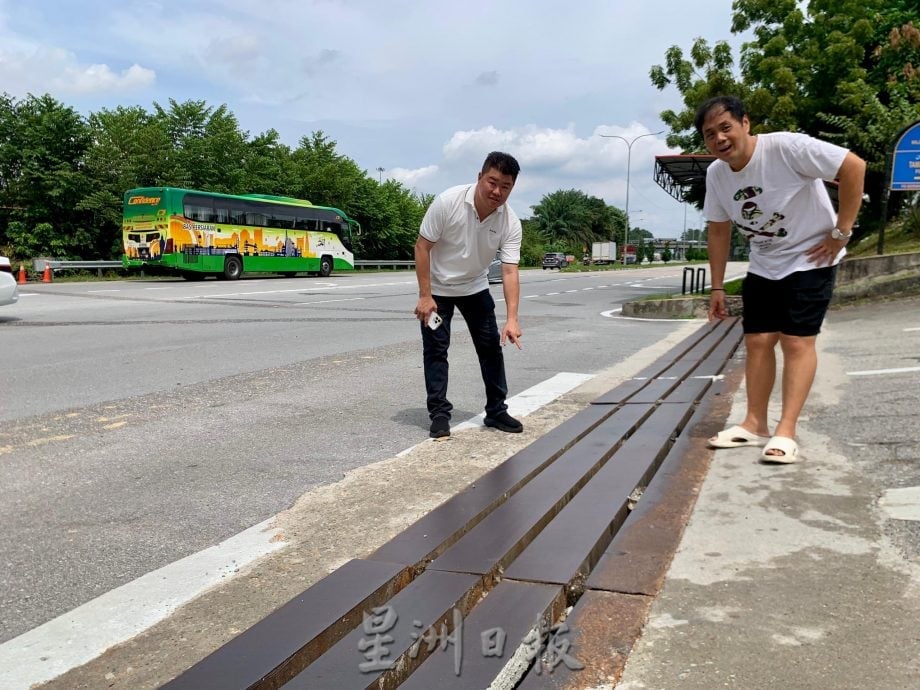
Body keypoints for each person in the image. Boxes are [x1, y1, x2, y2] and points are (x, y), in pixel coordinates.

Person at [698, 95, 866, 463]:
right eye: (710, 134)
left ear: (745, 123)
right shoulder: (717, 174)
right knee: (758, 340)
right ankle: (754, 423)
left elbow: (853, 165)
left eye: (726, 127)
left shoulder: (786, 147)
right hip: (764, 262)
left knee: (796, 342)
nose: (720, 138)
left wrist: (841, 232)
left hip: (812, 257)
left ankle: (786, 430)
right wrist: (717, 286)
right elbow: (719, 229)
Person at [414, 151, 524, 439]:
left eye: (505, 186)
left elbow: (510, 270)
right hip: (438, 290)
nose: (497, 191)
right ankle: (439, 414)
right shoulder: (447, 202)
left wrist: (512, 318)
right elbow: (422, 247)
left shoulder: (510, 222)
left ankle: (496, 410)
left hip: (475, 288)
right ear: (479, 177)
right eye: (492, 182)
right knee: (436, 350)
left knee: (490, 349)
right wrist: (425, 296)